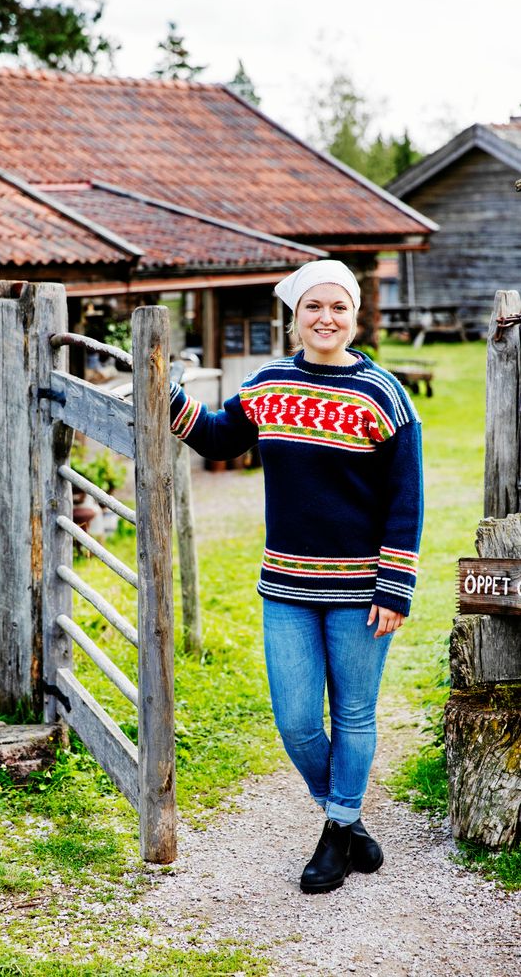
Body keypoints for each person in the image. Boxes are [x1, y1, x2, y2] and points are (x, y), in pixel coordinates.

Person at [169, 260, 423, 894]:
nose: (326, 318)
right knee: (297, 720)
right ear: (295, 317)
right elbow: (220, 438)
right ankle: (351, 818)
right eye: (314, 307)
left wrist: (395, 585)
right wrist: (161, 391)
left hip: (363, 591)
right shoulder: (269, 384)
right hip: (286, 585)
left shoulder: (383, 394)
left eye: (338, 307)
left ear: (355, 316)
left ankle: (336, 834)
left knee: (356, 714)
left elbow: (405, 496)